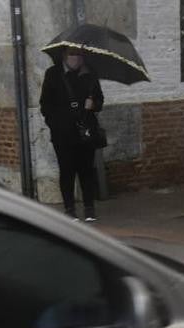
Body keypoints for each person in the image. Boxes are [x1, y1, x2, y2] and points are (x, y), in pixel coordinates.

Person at [40, 48, 104, 222]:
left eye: (79, 56)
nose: (76, 59)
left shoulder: (89, 74)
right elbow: (45, 104)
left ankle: (89, 208)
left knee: (86, 171)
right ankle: (69, 209)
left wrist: (94, 105)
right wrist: (55, 125)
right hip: (63, 134)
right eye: (72, 55)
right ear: (64, 56)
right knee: (67, 170)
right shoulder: (53, 74)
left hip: (86, 132)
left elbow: (100, 100)